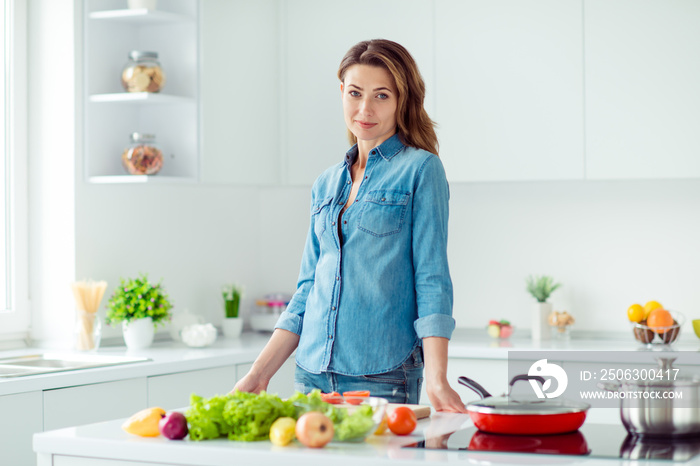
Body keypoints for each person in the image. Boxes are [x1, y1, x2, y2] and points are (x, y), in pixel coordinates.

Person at [233, 39, 466, 413]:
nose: (365, 109)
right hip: (311, 374)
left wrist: (438, 378)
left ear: (402, 101)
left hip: (382, 374)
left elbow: (432, 278)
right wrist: (259, 374)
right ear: (342, 91)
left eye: (382, 96)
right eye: (355, 93)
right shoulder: (325, 184)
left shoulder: (421, 170)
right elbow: (308, 289)